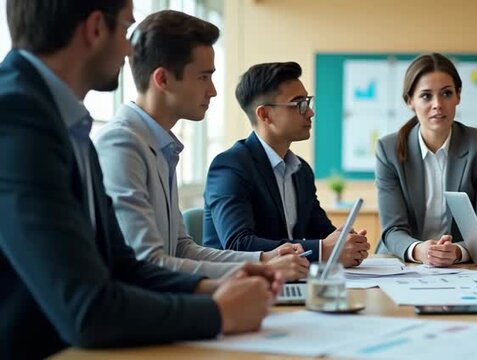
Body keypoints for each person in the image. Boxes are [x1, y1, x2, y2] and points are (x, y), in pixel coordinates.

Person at [0, 1, 281, 358]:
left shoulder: (66, 119)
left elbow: (123, 265)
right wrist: (219, 312)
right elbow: (87, 310)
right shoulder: (16, 116)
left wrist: (212, 288)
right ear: (95, 28)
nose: (131, 50)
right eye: (126, 29)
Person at [95, 10, 308, 279]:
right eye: (204, 77)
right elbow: (149, 262)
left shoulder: (159, 145)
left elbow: (181, 249)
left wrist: (264, 258)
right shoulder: (122, 143)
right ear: (163, 80)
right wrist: (261, 269)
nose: (213, 90)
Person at [204, 61, 370, 267]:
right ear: (265, 114)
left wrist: (347, 243)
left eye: (308, 102)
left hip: (292, 281)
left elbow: (321, 232)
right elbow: (238, 244)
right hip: (239, 286)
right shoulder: (231, 166)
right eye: (299, 104)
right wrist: (322, 251)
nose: (310, 112)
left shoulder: (301, 170)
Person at [375, 52, 477, 267]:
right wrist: (420, 250)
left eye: (446, 93)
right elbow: (392, 230)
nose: (437, 104)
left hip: (461, 267)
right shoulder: (388, 149)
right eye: (426, 96)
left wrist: (458, 251)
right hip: (402, 264)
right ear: (410, 101)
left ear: (458, 96)